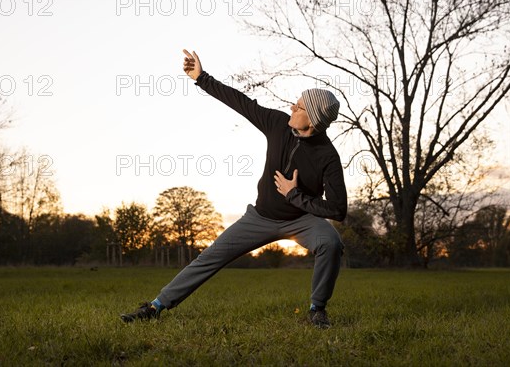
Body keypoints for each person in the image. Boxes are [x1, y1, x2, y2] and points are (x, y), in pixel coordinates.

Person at [120, 49, 347, 328]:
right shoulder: (277, 124)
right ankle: (155, 307)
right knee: (209, 257)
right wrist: (202, 78)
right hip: (260, 217)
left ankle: (317, 309)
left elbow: (338, 209)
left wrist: (294, 195)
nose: (291, 107)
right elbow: (240, 102)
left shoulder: (328, 156)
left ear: (312, 119)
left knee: (331, 242)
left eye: (298, 107)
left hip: (303, 221)